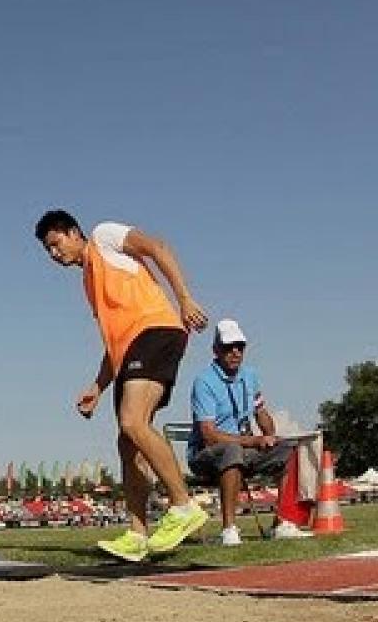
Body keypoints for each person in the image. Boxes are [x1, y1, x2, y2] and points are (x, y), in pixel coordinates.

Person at [35, 210, 209, 561]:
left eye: (56, 244)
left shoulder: (104, 236)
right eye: (47, 251)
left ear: (73, 232)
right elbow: (113, 342)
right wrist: (97, 388)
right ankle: (137, 533)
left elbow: (157, 247)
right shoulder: (89, 282)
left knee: (133, 421)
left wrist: (184, 297)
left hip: (157, 330)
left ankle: (183, 505)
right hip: (131, 347)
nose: (54, 254)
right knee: (127, 441)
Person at [188, 318, 314, 545]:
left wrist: (269, 432)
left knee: (291, 450)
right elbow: (208, 434)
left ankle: (283, 523)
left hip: (243, 449)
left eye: (240, 346)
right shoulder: (203, 382)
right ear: (216, 350)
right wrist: (254, 440)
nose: (235, 351)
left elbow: (262, 413)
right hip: (206, 455)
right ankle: (229, 530)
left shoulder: (250, 376)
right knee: (232, 450)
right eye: (228, 347)